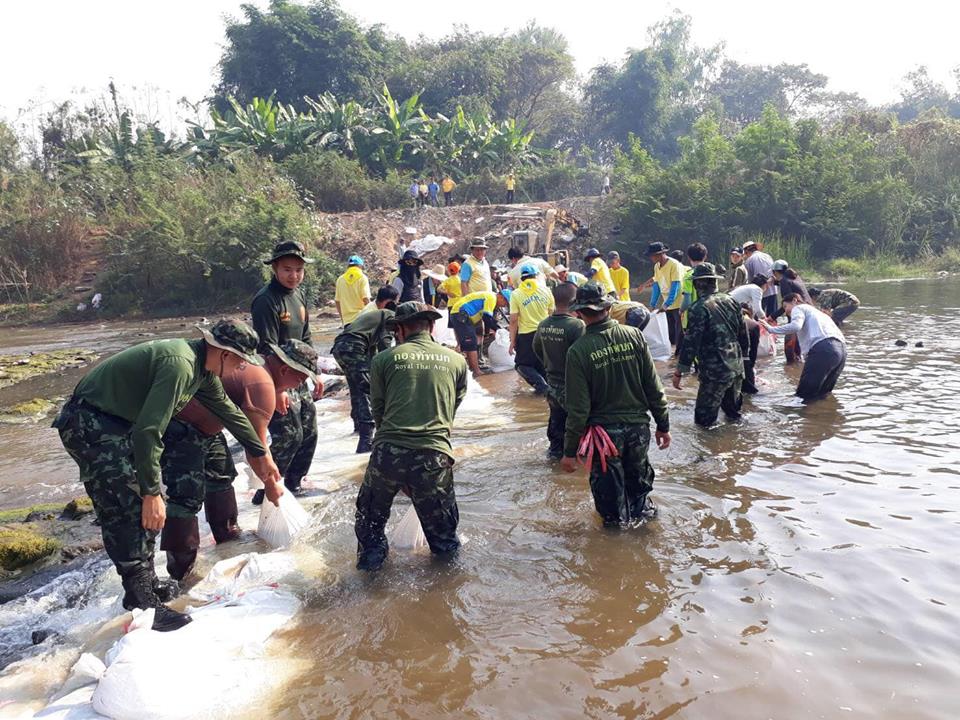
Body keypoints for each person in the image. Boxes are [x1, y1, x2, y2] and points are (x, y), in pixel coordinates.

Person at [52, 323, 282, 632]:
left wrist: (260, 452)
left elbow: (230, 412)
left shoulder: (202, 370)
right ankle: (141, 600)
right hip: (91, 423)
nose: (241, 367)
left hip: (116, 425)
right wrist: (151, 491)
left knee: (141, 507)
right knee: (127, 507)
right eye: (240, 361)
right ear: (224, 353)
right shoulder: (180, 365)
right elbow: (150, 430)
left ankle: (147, 583)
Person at [163, 333, 316, 580]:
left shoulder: (259, 370)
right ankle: (182, 572)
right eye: (301, 379)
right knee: (185, 495)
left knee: (221, 472)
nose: (299, 386)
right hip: (180, 425)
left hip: (205, 426)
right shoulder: (263, 385)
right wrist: (271, 486)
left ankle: (227, 534)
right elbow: (255, 449)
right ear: (286, 369)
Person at [354, 302, 469, 571]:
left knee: (370, 525)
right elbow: (452, 406)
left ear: (402, 329)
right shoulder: (457, 360)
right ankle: (446, 595)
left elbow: (379, 411)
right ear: (430, 326)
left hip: (387, 455)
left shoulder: (383, 359)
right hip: (434, 455)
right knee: (444, 542)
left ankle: (370, 584)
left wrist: (396, 461)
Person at [560, 282, 671, 526]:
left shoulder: (578, 351)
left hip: (604, 440)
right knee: (640, 498)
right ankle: (646, 552)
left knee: (612, 512)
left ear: (579, 313)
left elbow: (578, 409)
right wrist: (663, 425)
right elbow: (654, 387)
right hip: (638, 432)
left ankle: (615, 554)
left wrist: (569, 451)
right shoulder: (634, 336)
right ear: (608, 307)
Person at [251, 241, 322, 497]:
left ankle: (293, 484)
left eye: (298, 270)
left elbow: (307, 335)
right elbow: (266, 347)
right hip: (278, 377)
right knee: (289, 435)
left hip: (299, 375)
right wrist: (277, 389)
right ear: (275, 269)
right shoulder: (266, 301)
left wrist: (316, 372)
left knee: (309, 431)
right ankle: (269, 488)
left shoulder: (300, 295)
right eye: (287, 270)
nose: (293, 276)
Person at [672, 264, 749, 428]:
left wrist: (679, 372)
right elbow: (744, 333)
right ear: (714, 283)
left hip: (714, 373)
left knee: (704, 423)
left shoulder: (698, 308)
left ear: (697, 284)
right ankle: (737, 449)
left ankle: (711, 453)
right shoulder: (731, 301)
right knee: (734, 415)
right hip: (736, 367)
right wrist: (745, 360)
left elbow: (691, 343)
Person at [332, 293, 398, 453]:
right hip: (353, 348)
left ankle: (358, 427)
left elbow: (373, 352)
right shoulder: (390, 317)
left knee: (356, 388)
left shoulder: (373, 316)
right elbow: (385, 346)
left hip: (340, 347)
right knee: (367, 390)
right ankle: (366, 440)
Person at [533, 283, 585, 459]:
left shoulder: (543, 325)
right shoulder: (577, 326)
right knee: (577, 431)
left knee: (556, 428)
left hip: (553, 385)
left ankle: (554, 463)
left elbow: (537, 349)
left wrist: (550, 366)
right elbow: (584, 357)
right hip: (574, 388)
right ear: (574, 301)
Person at [761, 294, 847, 400]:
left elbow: (796, 326)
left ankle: (801, 416)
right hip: (841, 352)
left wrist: (771, 329)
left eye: (785, 307)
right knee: (823, 394)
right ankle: (822, 414)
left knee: (803, 396)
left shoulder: (799, 308)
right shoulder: (816, 312)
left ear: (794, 301)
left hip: (824, 349)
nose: (786, 311)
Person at [509, 264, 555, 395]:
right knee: (542, 365)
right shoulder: (546, 290)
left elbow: (513, 320)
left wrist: (512, 341)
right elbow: (552, 314)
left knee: (521, 365)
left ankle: (542, 387)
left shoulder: (516, 294)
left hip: (526, 335)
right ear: (536, 276)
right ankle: (548, 392)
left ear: (522, 278)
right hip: (546, 333)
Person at [449, 289, 509, 378]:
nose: (504, 305)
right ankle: (476, 371)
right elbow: (487, 318)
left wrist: (492, 331)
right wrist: (498, 329)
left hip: (463, 313)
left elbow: (489, 319)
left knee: (477, 336)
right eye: (505, 302)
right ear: (501, 296)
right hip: (460, 313)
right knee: (470, 342)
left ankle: (474, 366)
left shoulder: (491, 297)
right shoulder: (492, 298)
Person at [645, 241, 685, 348]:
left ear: (660, 254)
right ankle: (671, 354)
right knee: (669, 332)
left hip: (678, 303)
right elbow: (657, 286)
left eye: (652, 255)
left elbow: (675, 287)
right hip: (667, 303)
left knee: (679, 331)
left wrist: (666, 304)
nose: (651, 258)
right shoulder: (656, 266)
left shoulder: (674, 265)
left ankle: (678, 354)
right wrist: (652, 304)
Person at [770, 260, 812, 363]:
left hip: (798, 314)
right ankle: (798, 367)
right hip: (808, 312)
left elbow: (787, 304)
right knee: (800, 343)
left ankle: (791, 371)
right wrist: (775, 282)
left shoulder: (784, 281)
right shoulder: (794, 277)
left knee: (790, 346)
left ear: (775, 272)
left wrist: (772, 317)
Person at [334, 255, 371, 326]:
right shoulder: (362, 278)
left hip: (347, 322)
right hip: (361, 320)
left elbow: (337, 301)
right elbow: (366, 299)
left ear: (348, 266)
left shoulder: (340, 279)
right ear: (360, 266)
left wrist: (343, 319)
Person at [742, 241, 776, 317]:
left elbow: (750, 280)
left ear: (746, 252)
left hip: (760, 292)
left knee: (759, 316)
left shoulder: (749, 261)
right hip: (773, 290)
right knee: (772, 317)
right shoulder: (767, 256)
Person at [740, 305, 761, 395]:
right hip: (744, 361)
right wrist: (751, 365)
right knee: (750, 393)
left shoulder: (728, 320)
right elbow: (754, 349)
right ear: (751, 313)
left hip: (727, 362)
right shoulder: (753, 324)